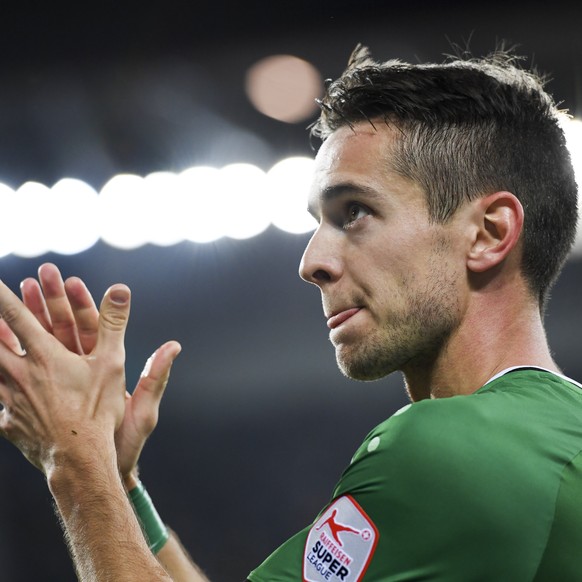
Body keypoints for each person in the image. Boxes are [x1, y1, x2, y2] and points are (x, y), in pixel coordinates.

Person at [0, 44, 580, 581]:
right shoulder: (546, 438)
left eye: (354, 211)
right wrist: (116, 484)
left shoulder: (445, 451)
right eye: (317, 224)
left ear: (488, 233)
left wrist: (71, 456)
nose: (311, 262)